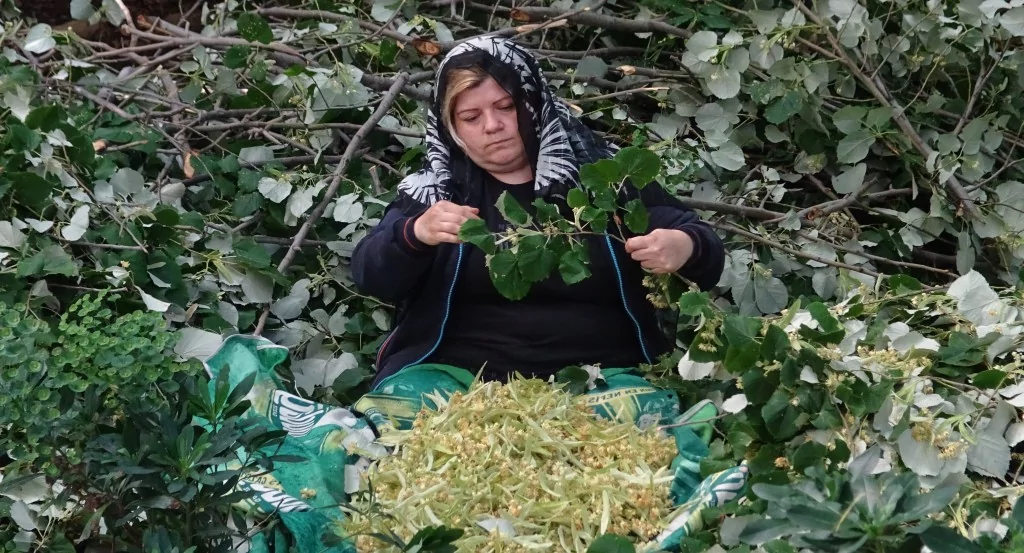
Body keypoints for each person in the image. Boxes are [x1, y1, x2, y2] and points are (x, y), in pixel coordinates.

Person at [349, 36, 725, 435]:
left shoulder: (605, 178)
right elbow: (370, 275)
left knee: (646, 432)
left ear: (532, 103)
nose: (492, 126)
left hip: (597, 377)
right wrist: (415, 234)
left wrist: (684, 246)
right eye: (471, 117)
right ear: (452, 127)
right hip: (457, 379)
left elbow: (700, 244)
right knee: (386, 426)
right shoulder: (435, 192)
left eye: (505, 107)